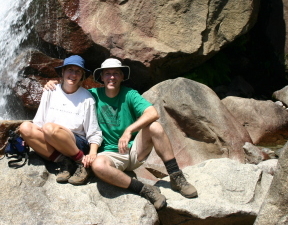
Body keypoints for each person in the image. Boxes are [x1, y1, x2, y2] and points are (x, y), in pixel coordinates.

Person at [45, 58, 197, 210]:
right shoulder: (91, 96)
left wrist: (129, 130)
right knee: (98, 165)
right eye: (108, 74)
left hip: (134, 151)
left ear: (122, 76)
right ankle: (144, 189)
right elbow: (70, 91)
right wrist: (54, 85)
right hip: (109, 155)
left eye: (116, 73)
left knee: (155, 127)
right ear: (101, 77)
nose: (112, 77)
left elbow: (152, 113)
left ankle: (176, 177)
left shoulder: (129, 94)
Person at [19, 55, 103, 185]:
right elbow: (39, 121)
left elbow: (93, 131)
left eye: (78, 71)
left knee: (50, 128)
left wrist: (92, 153)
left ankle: (81, 162)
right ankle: (64, 162)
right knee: (25, 127)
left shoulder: (87, 99)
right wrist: (29, 137)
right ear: (62, 72)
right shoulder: (50, 91)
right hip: (50, 137)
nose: (73, 75)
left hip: (75, 142)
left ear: (82, 75)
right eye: (70, 70)